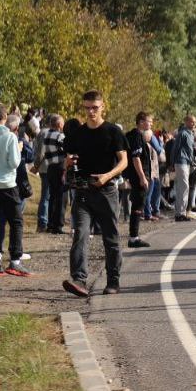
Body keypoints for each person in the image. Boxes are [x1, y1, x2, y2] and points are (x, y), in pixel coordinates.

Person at [62, 91, 129, 297]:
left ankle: (113, 280)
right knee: (80, 235)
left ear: (102, 107)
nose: (91, 112)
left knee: (110, 238)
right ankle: (79, 280)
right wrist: (67, 163)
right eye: (87, 108)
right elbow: (68, 160)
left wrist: (107, 176)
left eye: (95, 108)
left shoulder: (113, 132)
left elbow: (124, 161)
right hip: (83, 190)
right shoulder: (78, 134)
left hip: (106, 191)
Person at [0, 108, 30, 276]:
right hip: (8, 185)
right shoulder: (10, 137)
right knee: (16, 221)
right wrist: (18, 148)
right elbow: (14, 163)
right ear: (5, 117)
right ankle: (15, 260)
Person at [124, 113, 155, 249]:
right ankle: (134, 238)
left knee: (138, 204)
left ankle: (134, 236)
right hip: (138, 176)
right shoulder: (136, 135)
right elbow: (136, 157)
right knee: (138, 205)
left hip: (135, 175)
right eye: (149, 121)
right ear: (141, 122)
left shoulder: (134, 135)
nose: (151, 124)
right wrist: (142, 177)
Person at [37, 114, 68, 235]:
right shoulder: (60, 136)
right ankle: (58, 225)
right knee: (61, 197)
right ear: (59, 124)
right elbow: (66, 150)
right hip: (60, 167)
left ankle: (50, 224)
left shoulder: (46, 135)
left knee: (52, 196)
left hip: (50, 167)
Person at [171, 114, 196, 221]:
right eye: (191, 121)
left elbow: (190, 150)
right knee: (183, 187)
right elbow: (175, 148)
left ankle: (181, 212)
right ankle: (180, 213)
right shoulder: (182, 133)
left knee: (183, 187)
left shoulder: (191, 134)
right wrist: (172, 163)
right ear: (186, 122)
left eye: (194, 122)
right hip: (181, 161)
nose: (194, 123)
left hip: (187, 162)